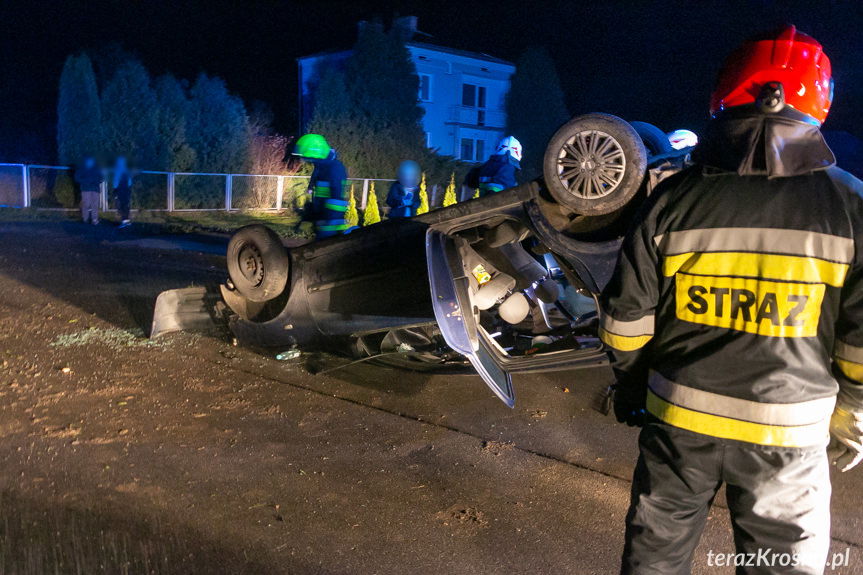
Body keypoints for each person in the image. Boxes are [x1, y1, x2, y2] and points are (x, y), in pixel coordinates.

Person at [600, 26, 863, 575]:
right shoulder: (851, 207)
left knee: (655, 559)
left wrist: (633, 387)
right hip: (788, 440)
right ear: (818, 98)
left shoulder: (672, 198)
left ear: (726, 94)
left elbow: (625, 319)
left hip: (677, 425)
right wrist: (850, 417)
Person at [292, 134, 349, 239]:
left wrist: (328, 221)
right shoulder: (322, 167)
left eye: (306, 157)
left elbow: (337, 196)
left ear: (315, 154)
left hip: (330, 224)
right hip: (324, 220)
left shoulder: (334, 168)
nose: (303, 160)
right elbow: (323, 194)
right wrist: (313, 213)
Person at [74, 156, 103, 225]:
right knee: (86, 204)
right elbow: (77, 178)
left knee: (95, 205)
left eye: (91, 161)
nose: (90, 162)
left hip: (95, 189)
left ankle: (94, 219)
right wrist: (86, 181)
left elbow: (101, 178)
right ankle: (85, 219)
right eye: (89, 161)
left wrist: (96, 181)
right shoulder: (82, 168)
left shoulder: (97, 168)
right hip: (86, 189)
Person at [112, 156, 133, 228]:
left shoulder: (117, 170)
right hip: (127, 190)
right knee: (126, 205)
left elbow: (115, 182)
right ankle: (127, 220)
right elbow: (130, 182)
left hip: (120, 190)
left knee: (120, 205)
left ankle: (124, 221)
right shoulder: (127, 170)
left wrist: (115, 190)